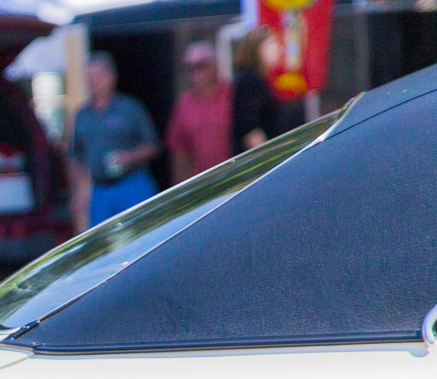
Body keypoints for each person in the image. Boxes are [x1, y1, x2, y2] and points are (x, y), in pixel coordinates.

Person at [68, 52, 162, 230]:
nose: (93, 81)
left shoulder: (129, 108)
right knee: (103, 244)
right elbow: (75, 157)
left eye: (98, 76)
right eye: (89, 76)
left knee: (141, 235)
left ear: (111, 77)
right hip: (100, 191)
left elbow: (153, 146)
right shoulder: (82, 115)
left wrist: (129, 157)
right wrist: (78, 193)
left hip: (132, 185)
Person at [166, 40, 233, 183]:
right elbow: (180, 152)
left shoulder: (232, 94)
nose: (195, 72)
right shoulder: (184, 104)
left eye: (200, 66)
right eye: (189, 67)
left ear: (214, 65)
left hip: (236, 178)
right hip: (204, 185)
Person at [232, 26, 300, 151]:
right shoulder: (250, 83)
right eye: (271, 43)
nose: (278, 48)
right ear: (256, 49)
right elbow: (251, 131)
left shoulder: (261, 82)